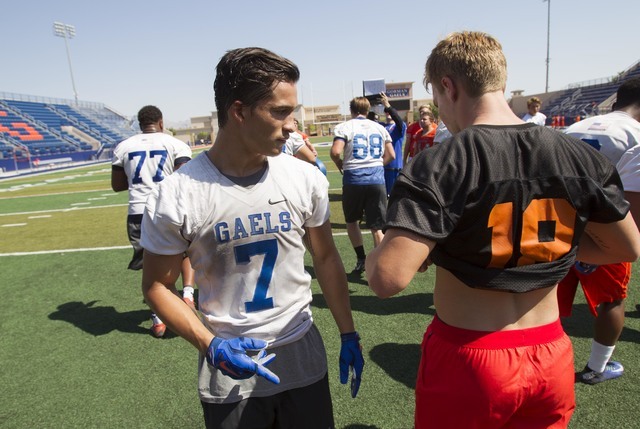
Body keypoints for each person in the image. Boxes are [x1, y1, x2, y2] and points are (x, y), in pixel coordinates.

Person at [365, 31, 640, 428]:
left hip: (470, 353)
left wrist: (383, 250)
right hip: (551, 352)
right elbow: (625, 246)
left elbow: (387, 279)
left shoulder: (444, 161)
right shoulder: (577, 154)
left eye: (437, 98)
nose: (440, 109)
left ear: (448, 86)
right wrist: (545, 245)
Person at [140, 47, 364, 429]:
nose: (292, 125)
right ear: (239, 112)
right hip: (229, 368)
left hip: (301, 350)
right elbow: (157, 287)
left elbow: (325, 258)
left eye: (292, 111)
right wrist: (211, 344)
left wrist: (348, 331)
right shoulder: (177, 194)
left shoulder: (303, 178)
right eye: (280, 112)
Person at [557, 77, 640, 384]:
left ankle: (543, 359)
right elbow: (631, 210)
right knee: (612, 302)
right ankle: (596, 367)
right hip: (606, 235)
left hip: (558, 231)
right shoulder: (636, 136)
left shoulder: (574, 128)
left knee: (546, 297)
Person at [111, 105, 195, 338]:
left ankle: (159, 318)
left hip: (139, 210)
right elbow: (185, 178)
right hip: (171, 207)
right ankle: (188, 294)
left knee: (151, 264)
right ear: (160, 122)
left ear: (140, 124)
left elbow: (117, 185)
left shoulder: (124, 147)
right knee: (186, 252)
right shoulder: (175, 144)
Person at [330, 96, 395, 275]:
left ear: (352, 110)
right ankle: (380, 266)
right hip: (376, 181)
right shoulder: (379, 127)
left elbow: (335, 151)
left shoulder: (345, 127)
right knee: (377, 227)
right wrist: (375, 165)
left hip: (354, 180)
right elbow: (391, 155)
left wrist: (340, 164)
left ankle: (361, 259)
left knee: (352, 222)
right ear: (367, 110)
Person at [380, 93, 407, 196]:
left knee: (393, 196)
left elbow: (398, 120)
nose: (388, 113)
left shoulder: (399, 126)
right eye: (386, 111)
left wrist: (387, 105)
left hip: (394, 166)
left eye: (390, 111)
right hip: (381, 165)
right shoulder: (380, 126)